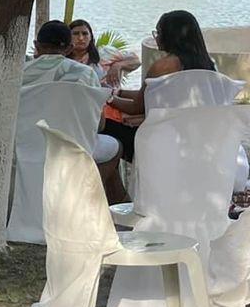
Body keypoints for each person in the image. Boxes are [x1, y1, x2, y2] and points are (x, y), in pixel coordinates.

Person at [24, 21, 125, 197]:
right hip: (72, 149)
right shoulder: (85, 74)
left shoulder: (19, 73)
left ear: (36, 46)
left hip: (25, 149)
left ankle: (108, 199)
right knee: (115, 146)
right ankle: (89, 197)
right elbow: (99, 124)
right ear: (70, 48)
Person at [107, 10, 218, 141]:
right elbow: (151, 95)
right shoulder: (209, 64)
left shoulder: (163, 66)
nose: (156, 37)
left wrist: (107, 97)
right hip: (198, 132)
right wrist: (119, 93)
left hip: (164, 138)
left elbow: (136, 108)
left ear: (170, 36)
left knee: (105, 125)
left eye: (158, 32)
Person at [69, 19, 138, 89]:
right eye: (75, 34)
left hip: (110, 97)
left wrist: (118, 65)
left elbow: (136, 61)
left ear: (91, 37)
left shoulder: (105, 53)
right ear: (68, 37)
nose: (80, 38)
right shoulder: (63, 60)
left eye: (85, 34)